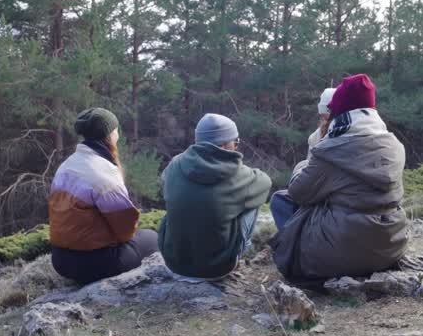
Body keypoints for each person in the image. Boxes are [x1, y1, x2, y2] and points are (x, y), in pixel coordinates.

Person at [269, 74, 409, 282]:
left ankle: (301, 255)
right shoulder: (394, 144)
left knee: (283, 200)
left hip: (344, 250)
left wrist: (301, 166)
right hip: (390, 246)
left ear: (340, 111)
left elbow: (298, 193)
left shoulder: (332, 149)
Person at [48, 108, 157, 285]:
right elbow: (125, 231)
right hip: (94, 263)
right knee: (152, 238)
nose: (118, 135)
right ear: (108, 135)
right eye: (116, 130)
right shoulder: (103, 173)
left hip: (60, 261)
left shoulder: (65, 167)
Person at [158, 113, 272, 280]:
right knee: (252, 200)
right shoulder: (239, 176)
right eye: (236, 142)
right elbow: (266, 182)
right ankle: (239, 253)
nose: (236, 146)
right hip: (217, 268)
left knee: (182, 201)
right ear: (226, 144)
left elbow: (165, 186)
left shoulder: (174, 165)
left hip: (174, 264)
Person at [269, 87, 335, 230]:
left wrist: (300, 169)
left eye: (327, 115)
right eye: (322, 116)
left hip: (331, 201)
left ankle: (293, 240)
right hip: (319, 194)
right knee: (280, 199)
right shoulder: (315, 137)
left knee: (283, 201)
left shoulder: (341, 137)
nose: (325, 120)